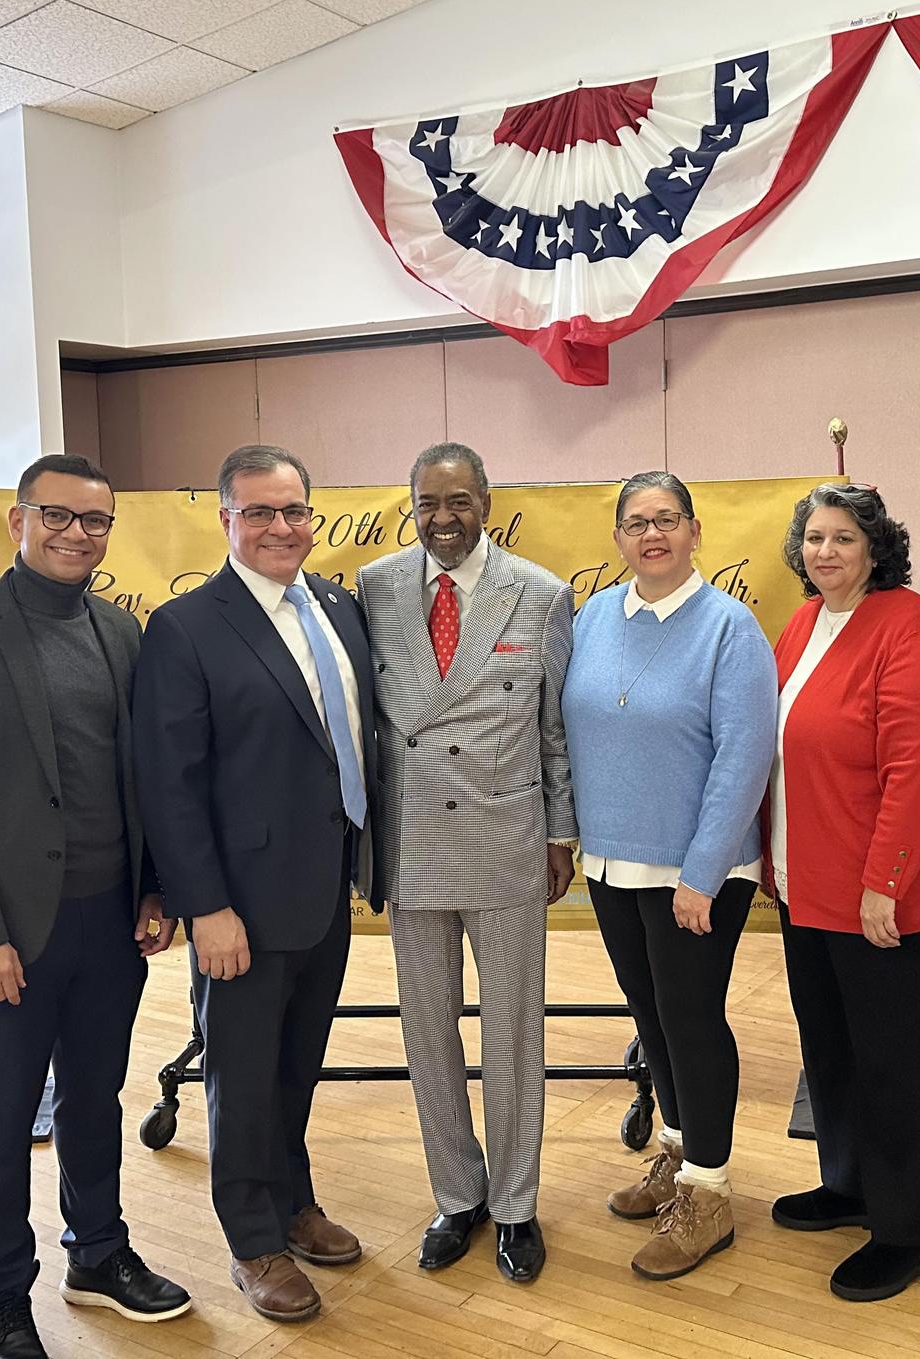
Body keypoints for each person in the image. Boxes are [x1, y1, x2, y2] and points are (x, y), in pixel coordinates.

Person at [0, 454, 191, 1359]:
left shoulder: (120, 629)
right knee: (0, 1115)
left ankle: (98, 1253)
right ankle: (1, 1296)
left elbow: (139, 778)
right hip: (7, 935)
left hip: (109, 918)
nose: (77, 534)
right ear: (19, 521)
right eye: (57, 517)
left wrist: (155, 884)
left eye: (95, 522)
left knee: (94, 1096)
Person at [132, 444, 382, 1323]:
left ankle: (292, 1199)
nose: (282, 528)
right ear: (226, 520)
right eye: (260, 512)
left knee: (296, 1066)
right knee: (241, 1076)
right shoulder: (187, 626)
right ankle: (252, 1239)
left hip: (324, 892)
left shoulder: (339, 610)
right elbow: (171, 781)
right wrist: (206, 906)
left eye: (295, 511)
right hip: (237, 904)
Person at [355, 442, 576, 1283]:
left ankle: (516, 1203)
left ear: (486, 498)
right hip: (413, 845)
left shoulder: (543, 593)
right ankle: (457, 1192)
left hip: (507, 833)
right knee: (428, 1030)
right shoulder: (373, 588)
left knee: (513, 1032)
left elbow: (555, 727)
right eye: (426, 503)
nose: (443, 519)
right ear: (410, 504)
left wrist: (560, 834)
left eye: (458, 501)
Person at [764, 482, 920, 1302]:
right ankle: (851, 1181)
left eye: (845, 538)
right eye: (815, 537)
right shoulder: (803, 622)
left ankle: (908, 1229)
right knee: (834, 1050)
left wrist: (883, 882)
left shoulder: (909, 629)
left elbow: (919, 773)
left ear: (876, 547)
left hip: (887, 895)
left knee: (900, 1064)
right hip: (806, 883)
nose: (826, 552)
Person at [562, 471, 776, 1281]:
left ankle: (711, 1195)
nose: (652, 534)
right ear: (617, 538)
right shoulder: (592, 618)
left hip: (697, 870)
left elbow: (745, 756)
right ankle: (680, 1158)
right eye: (636, 522)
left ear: (694, 533)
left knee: (691, 1021)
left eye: (668, 520)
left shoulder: (730, 627)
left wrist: (703, 870)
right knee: (650, 1019)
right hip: (613, 861)